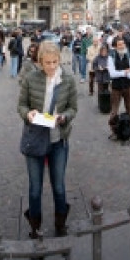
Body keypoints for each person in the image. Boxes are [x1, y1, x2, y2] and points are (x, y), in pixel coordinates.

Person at [17, 41, 78, 238]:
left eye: (55, 62)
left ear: (59, 60)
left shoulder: (67, 79)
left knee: (59, 186)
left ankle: (60, 224)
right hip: (36, 138)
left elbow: (73, 108)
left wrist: (64, 117)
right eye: (47, 63)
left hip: (58, 139)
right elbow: (21, 106)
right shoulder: (31, 78)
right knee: (35, 189)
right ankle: (35, 228)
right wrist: (28, 114)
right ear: (40, 62)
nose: (51, 67)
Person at [107, 36, 130, 140]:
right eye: (119, 44)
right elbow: (112, 73)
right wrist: (125, 72)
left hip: (128, 86)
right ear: (115, 46)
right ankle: (114, 131)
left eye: (123, 44)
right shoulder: (111, 57)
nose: (121, 46)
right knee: (114, 111)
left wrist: (125, 73)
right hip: (116, 87)